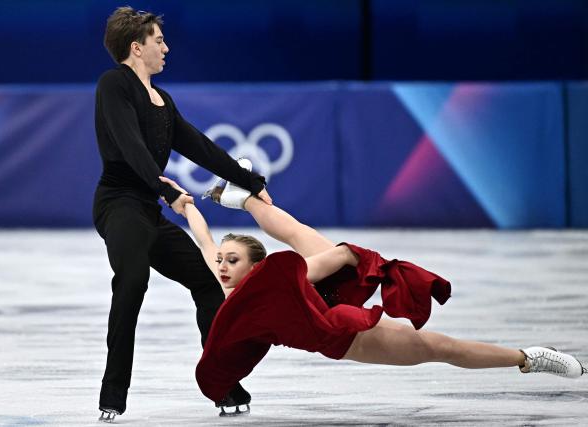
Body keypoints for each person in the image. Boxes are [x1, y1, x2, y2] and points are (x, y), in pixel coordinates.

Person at [159, 162, 586, 415]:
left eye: (233, 261)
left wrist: (349, 256)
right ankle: (526, 357)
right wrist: (186, 205)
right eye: (222, 262)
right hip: (336, 328)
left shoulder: (274, 274)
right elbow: (205, 242)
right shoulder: (245, 283)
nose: (222, 267)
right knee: (437, 347)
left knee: (298, 238)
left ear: (256, 265)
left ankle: (530, 358)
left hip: (317, 295)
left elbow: (314, 259)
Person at [93, 7, 272, 422]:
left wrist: (253, 180)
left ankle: (222, 382)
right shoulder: (114, 85)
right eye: (158, 40)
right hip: (118, 203)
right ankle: (112, 394)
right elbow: (129, 145)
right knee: (133, 280)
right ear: (136, 47)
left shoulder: (163, 101)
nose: (166, 47)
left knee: (208, 280)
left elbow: (200, 147)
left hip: (147, 210)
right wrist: (164, 188)